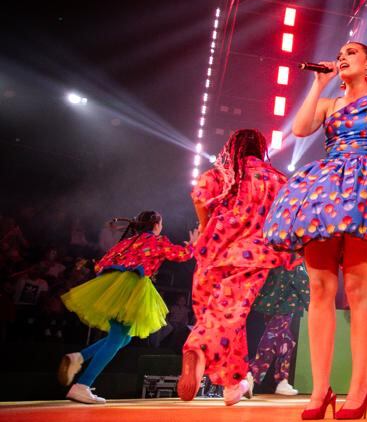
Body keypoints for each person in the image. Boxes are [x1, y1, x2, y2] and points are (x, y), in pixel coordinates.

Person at [264, 42, 367, 420]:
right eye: (340, 53)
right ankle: (320, 390)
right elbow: (300, 129)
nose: (342, 57)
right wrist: (318, 84)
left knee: (356, 286)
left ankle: (358, 389)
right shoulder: (329, 104)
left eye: (351, 52)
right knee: (320, 286)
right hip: (327, 187)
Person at [181, 129, 289, 406]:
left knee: (225, 317)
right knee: (229, 314)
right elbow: (288, 214)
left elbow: (199, 196)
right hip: (250, 254)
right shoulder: (275, 178)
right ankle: (198, 349)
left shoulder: (222, 174)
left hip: (212, 253)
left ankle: (232, 383)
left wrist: (205, 226)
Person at [58, 212, 193, 403]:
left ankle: (79, 357)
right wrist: (193, 244)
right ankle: (82, 385)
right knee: (117, 338)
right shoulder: (156, 240)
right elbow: (181, 255)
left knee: (124, 337)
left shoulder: (128, 242)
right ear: (156, 225)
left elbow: (100, 266)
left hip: (114, 286)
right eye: (161, 223)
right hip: (132, 287)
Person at [247, 262, 309, 395]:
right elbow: (300, 278)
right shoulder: (291, 260)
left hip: (276, 301)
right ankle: (252, 373)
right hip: (283, 304)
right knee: (273, 337)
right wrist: (313, 303)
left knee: (286, 341)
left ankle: (282, 380)